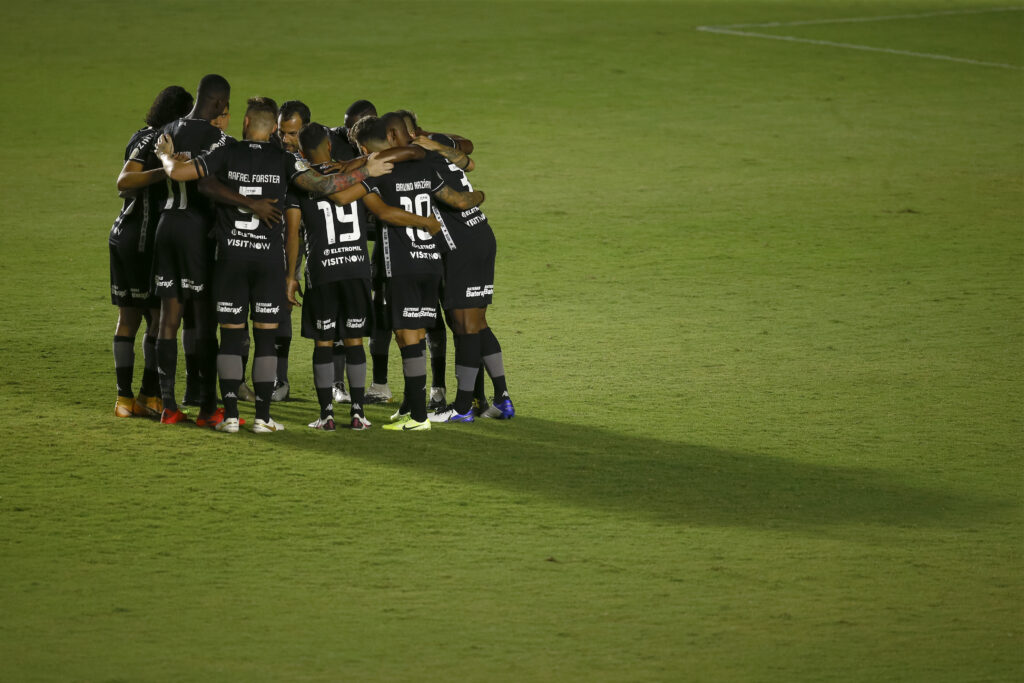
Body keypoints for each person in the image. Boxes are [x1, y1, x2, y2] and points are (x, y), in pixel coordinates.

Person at [156, 97, 395, 432]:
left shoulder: (226, 151)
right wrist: (366, 169)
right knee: (266, 340)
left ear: (245, 124)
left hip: (230, 259)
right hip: (268, 262)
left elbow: (179, 173)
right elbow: (326, 186)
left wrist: (166, 154)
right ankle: (263, 418)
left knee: (230, 338)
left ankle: (230, 417)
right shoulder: (285, 160)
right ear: (273, 130)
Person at [286, 122, 440, 430]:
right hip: (357, 270)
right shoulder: (356, 180)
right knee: (354, 339)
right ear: (330, 146)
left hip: (323, 271)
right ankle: (358, 413)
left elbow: (293, 234)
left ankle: (326, 415)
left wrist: (291, 275)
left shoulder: (303, 184)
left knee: (324, 344)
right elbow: (375, 210)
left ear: (301, 152)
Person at [353, 113, 484, 431]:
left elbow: (379, 210)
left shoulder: (375, 172)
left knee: (407, 337)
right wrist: (479, 197)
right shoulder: (425, 163)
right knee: (419, 334)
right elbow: (460, 198)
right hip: (432, 262)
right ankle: (414, 404)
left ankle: (419, 417)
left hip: (402, 264)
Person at [147, 74, 236, 425]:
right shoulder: (218, 138)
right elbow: (214, 185)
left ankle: (167, 405)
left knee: (168, 317)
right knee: (203, 320)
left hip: (165, 226)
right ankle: (207, 407)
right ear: (218, 104)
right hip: (196, 232)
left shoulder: (165, 130)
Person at [415, 135, 515, 422]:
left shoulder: (419, 162)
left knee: (465, 325)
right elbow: (467, 151)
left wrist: (479, 196)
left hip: (462, 245)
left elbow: (458, 199)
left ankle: (461, 408)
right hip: (480, 233)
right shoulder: (435, 147)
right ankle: (502, 399)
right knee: (477, 324)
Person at [110, 85, 194, 418]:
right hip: (140, 240)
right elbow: (124, 182)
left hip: (124, 235)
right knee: (159, 318)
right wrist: (168, 167)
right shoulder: (157, 141)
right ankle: (147, 397)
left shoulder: (142, 135)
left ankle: (126, 400)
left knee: (131, 318)